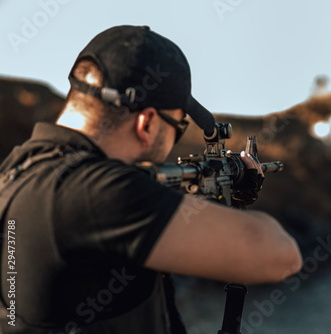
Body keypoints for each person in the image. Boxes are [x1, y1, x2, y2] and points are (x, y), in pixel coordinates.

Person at [0, 25, 302, 333]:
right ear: (146, 123)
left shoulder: (19, 169)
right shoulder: (94, 192)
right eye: (178, 126)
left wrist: (209, 200)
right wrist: (235, 201)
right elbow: (281, 255)